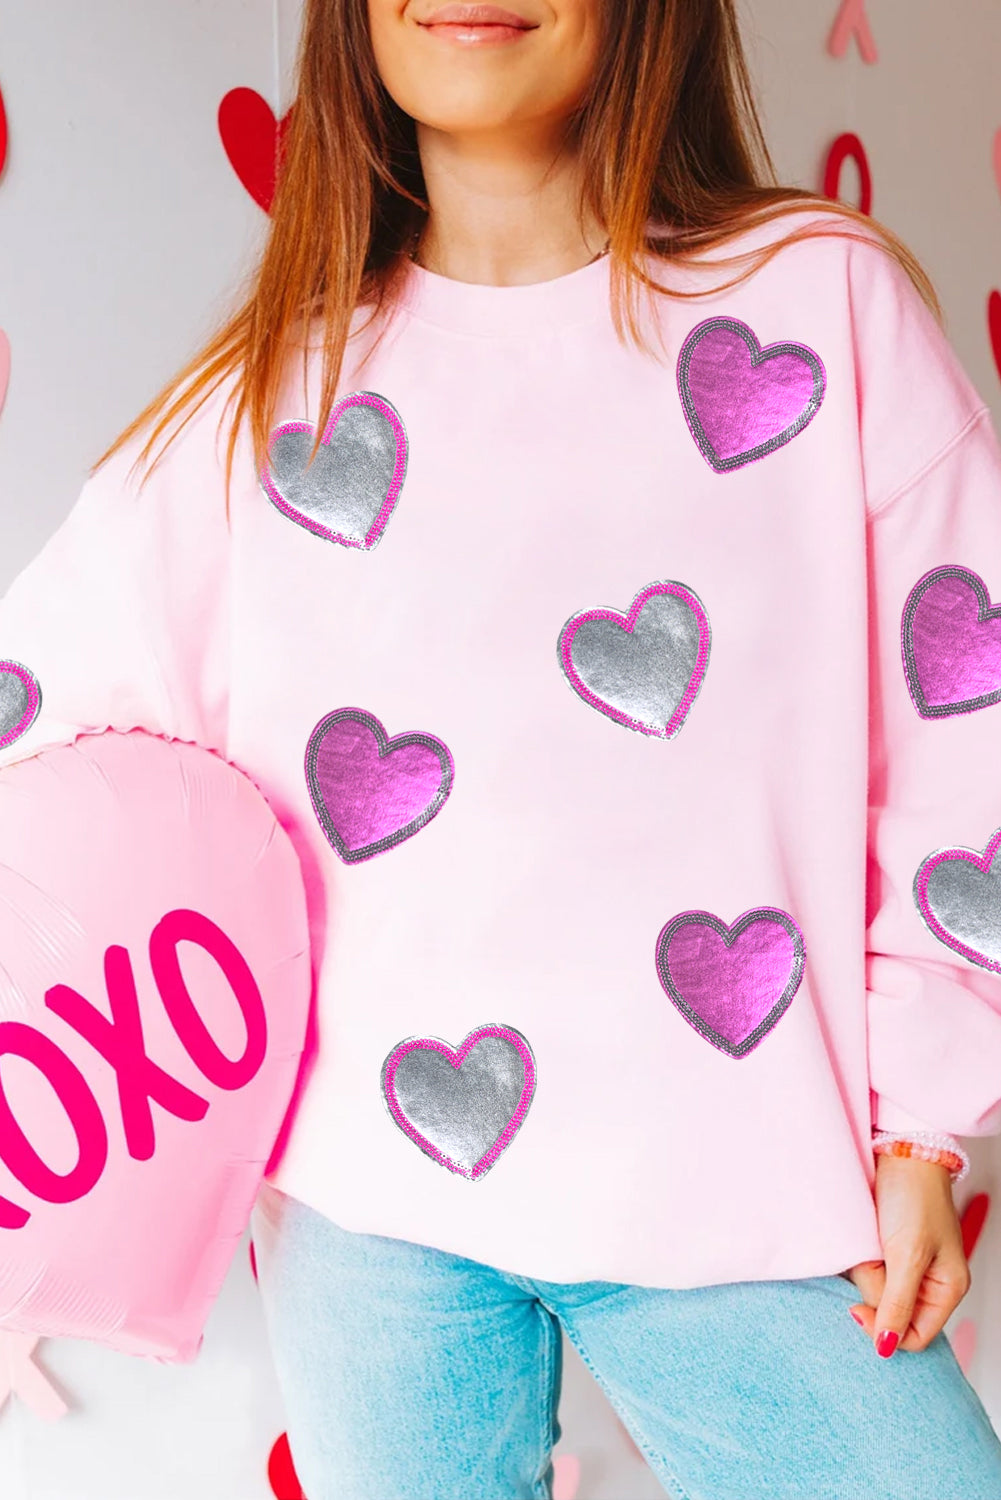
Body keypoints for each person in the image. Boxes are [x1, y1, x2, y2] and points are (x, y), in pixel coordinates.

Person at [2, 1, 1001, 1496]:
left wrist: (920, 1126)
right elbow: (40, 705)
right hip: (365, 1215)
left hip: (736, 1176)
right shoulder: (273, 391)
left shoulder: (819, 302)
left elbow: (966, 714)